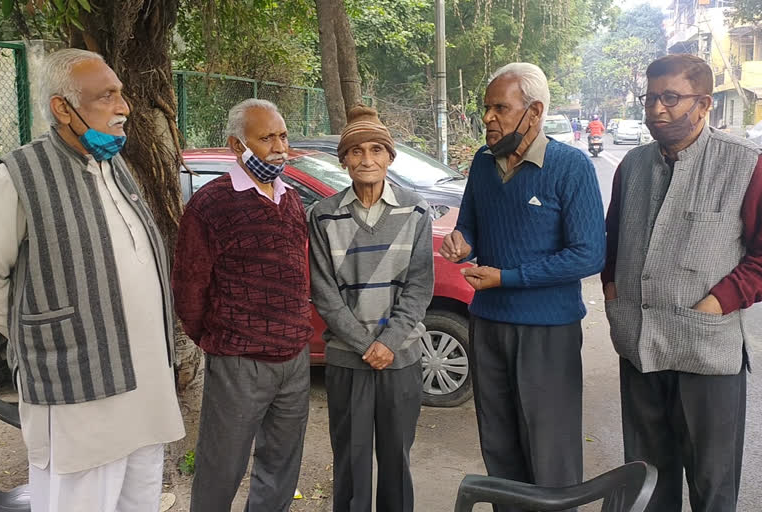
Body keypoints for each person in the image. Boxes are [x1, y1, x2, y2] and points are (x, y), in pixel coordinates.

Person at [0, 48, 184, 512]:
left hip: (145, 388)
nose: (125, 108)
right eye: (108, 97)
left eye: (121, 95)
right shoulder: (17, 176)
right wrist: (41, 338)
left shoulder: (116, 167)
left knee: (137, 498)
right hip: (77, 392)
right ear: (63, 107)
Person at [439, 63, 606, 511]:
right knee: (499, 440)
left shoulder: (570, 167)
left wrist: (508, 278)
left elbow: (588, 255)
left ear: (533, 112)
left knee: (550, 448)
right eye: (486, 108)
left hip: (546, 331)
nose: (488, 118)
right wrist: (461, 243)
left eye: (500, 108)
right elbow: (470, 226)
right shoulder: (482, 162)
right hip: (488, 323)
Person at [603, 53, 762, 511]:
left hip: (706, 354)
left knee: (712, 484)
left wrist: (718, 302)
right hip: (641, 348)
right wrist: (614, 292)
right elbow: (614, 242)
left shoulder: (744, 164)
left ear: (705, 103)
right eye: (650, 98)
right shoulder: (632, 166)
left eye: (671, 98)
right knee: (649, 480)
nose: (656, 109)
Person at [172, 99, 312, 512]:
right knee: (222, 466)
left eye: (282, 136)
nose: (278, 146)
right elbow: (189, 285)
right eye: (265, 138)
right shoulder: (212, 202)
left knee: (281, 465)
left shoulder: (291, 199)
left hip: (294, 358)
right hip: (239, 360)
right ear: (237, 145)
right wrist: (221, 337)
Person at [308, 105, 434, 512]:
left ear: (389, 157)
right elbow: (324, 293)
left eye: (377, 150)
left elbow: (419, 286)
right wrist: (367, 345)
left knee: (396, 461)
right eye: (356, 151)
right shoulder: (323, 216)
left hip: (401, 359)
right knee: (350, 461)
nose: (367, 160)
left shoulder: (415, 210)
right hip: (349, 359)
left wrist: (389, 343)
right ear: (343, 160)